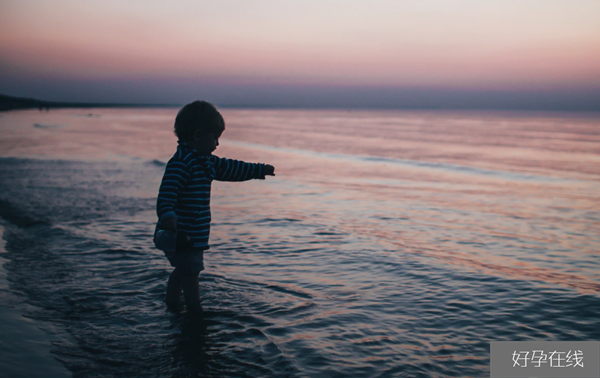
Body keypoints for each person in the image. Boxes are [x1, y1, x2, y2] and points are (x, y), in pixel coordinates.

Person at [154, 100, 275, 313]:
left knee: (184, 270)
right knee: (191, 273)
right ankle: (194, 311)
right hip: (182, 234)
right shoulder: (182, 162)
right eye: (215, 137)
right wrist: (168, 215)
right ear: (198, 135)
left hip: (194, 233)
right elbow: (167, 193)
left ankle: (172, 304)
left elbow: (231, 168)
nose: (217, 144)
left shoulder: (206, 161)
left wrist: (258, 170)